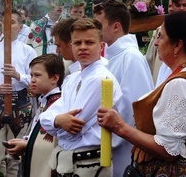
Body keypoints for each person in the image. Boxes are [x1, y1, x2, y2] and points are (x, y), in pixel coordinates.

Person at [98, 11, 186, 176]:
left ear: (177, 45)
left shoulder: (181, 84)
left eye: (160, 37)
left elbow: (168, 149)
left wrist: (120, 126)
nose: (156, 43)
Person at [39, 18, 123, 176]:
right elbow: (47, 117)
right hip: (67, 161)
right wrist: (57, 120)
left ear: (101, 46)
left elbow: (73, 128)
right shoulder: (73, 78)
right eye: (78, 43)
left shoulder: (101, 78)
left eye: (89, 42)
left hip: (89, 163)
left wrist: (57, 123)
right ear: (71, 46)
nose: (83, 47)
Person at [93, 0, 154, 176]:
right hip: (105, 141)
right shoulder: (112, 57)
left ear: (116, 26)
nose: (95, 30)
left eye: (99, 25)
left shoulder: (131, 58)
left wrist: (102, 138)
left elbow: (133, 108)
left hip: (121, 146)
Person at [0, 9, 38, 177]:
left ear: (20, 26)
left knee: (14, 157)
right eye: (5, 23)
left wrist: (18, 75)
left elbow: (34, 79)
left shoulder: (28, 51)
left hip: (20, 106)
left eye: (12, 22)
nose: (8, 26)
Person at [6, 54, 65, 177]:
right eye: (31, 75)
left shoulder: (58, 105)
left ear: (54, 78)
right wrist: (25, 141)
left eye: (37, 75)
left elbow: (50, 144)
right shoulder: (44, 101)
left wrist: (27, 145)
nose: (32, 79)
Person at [146, 0, 186, 84]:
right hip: (161, 78)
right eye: (178, 5)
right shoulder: (160, 30)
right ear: (172, 7)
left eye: (185, 5)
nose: (182, 8)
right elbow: (150, 58)